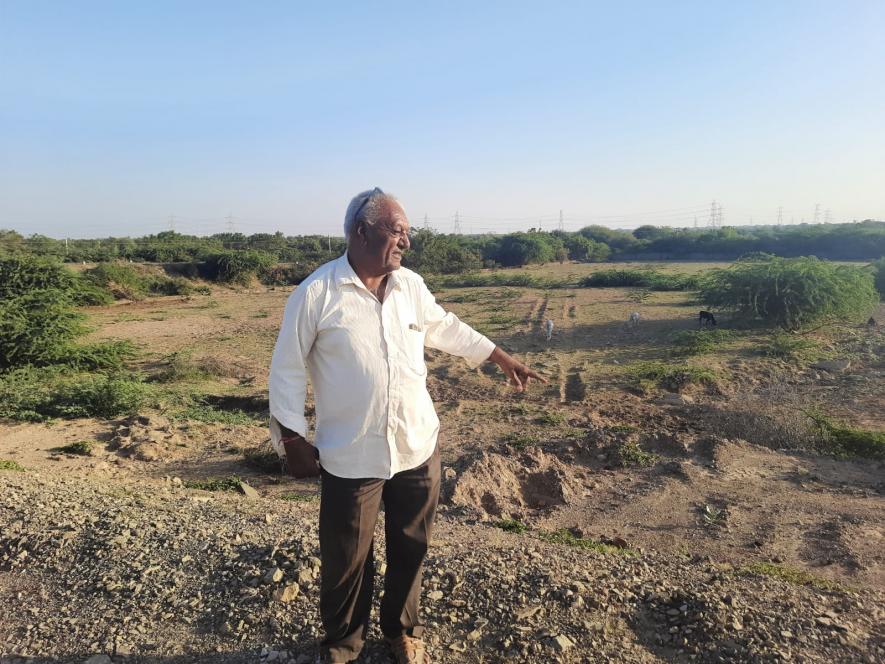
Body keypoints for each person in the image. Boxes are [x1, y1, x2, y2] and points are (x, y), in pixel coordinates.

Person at [268, 188, 544, 664]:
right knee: (346, 559)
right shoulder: (316, 293)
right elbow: (287, 369)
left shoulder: (410, 286)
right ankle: (342, 644)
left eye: (407, 233)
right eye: (397, 231)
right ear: (361, 231)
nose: (406, 242)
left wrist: (499, 356)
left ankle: (401, 631)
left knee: (411, 546)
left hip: (416, 445)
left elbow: (447, 327)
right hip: (352, 454)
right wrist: (292, 439)